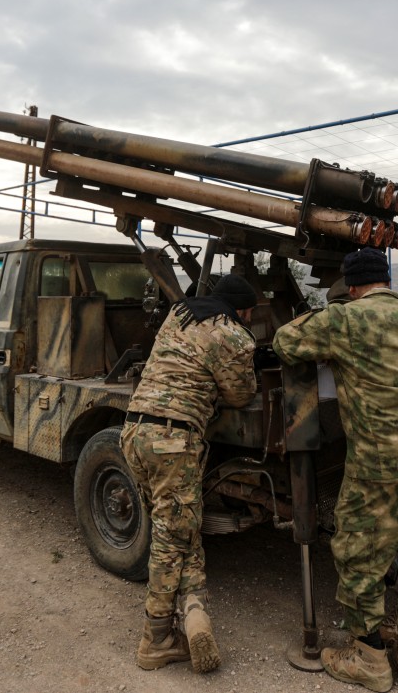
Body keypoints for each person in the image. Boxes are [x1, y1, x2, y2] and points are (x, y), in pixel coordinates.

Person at [273, 248, 398, 693]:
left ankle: (370, 659)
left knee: (360, 550)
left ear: (352, 288)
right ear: (387, 280)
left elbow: (285, 340)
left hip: (381, 457)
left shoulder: (346, 319)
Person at [121, 274, 259, 674]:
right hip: (173, 441)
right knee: (170, 538)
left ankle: (195, 611)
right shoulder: (235, 336)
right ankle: (156, 637)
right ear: (244, 310)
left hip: (135, 432)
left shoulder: (178, 314)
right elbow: (240, 394)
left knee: (180, 528)